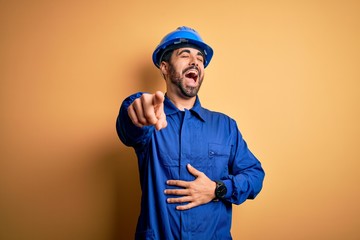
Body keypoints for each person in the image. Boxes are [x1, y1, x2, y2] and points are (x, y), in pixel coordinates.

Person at [116, 26, 265, 240]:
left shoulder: (226, 126)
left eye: (200, 58)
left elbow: (255, 176)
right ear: (165, 67)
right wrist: (135, 108)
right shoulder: (151, 121)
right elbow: (129, 127)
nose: (195, 61)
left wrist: (217, 189)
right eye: (185, 55)